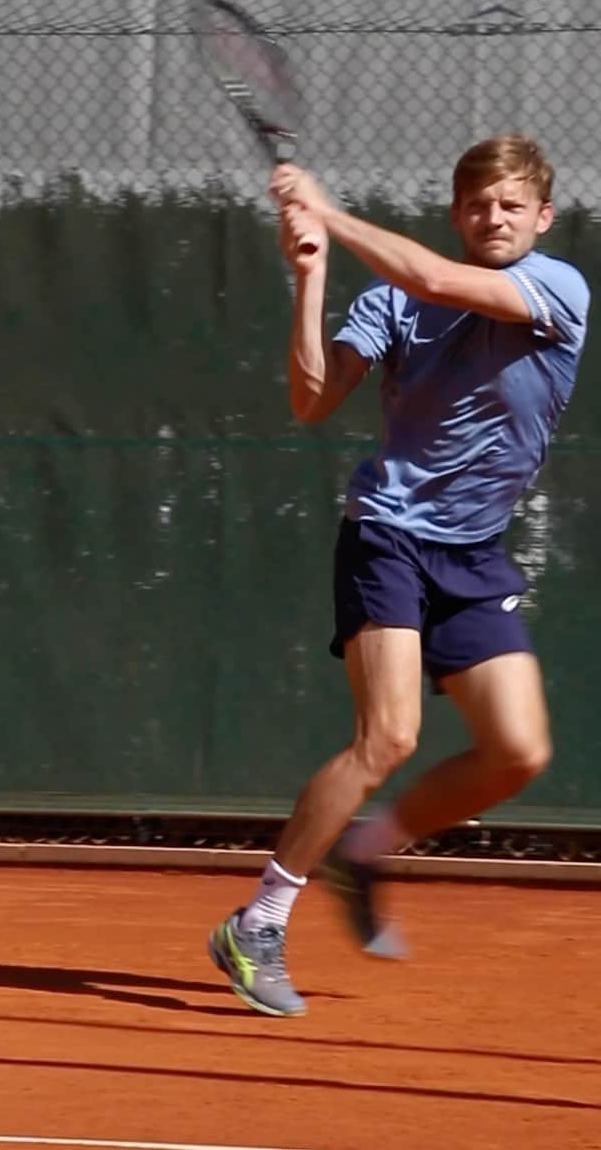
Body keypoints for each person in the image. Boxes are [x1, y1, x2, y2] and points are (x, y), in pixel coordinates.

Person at [207, 133, 590, 1017]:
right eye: (477, 205)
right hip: (387, 535)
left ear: (542, 216)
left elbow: (437, 281)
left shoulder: (556, 289)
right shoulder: (390, 303)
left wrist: (330, 211)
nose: (493, 217)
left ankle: (367, 848)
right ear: (458, 213)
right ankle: (257, 922)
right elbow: (311, 397)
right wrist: (308, 274)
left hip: (474, 551)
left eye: (510, 205)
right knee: (388, 737)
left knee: (518, 751)